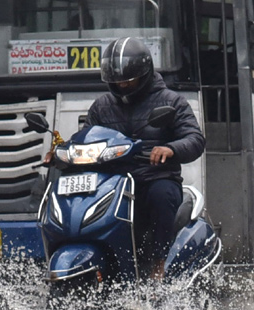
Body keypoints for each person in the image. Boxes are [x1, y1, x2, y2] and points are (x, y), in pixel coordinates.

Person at [84, 37, 206, 281]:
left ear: (145, 73)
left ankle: (159, 263)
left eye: (129, 79)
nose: (123, 85)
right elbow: (86, 138)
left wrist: (171, 148)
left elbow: (195, 139)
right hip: (113, 182)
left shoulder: (172, 102)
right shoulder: (101, 107)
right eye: (117, 80)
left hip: (154, 177)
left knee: (161, 195)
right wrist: (61, 152)